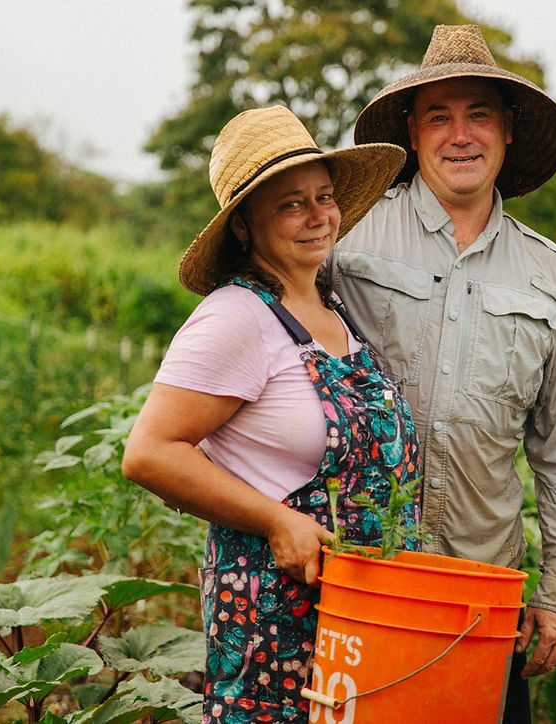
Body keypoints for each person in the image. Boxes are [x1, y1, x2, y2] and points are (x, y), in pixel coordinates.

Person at [331, 24, 556, 723]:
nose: (461, 135)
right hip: (360, 573)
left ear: (508, 130)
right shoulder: (348, 236)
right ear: (412, 131)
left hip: (482, 593)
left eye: (479, 114)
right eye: (439, 116)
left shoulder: (548, 274)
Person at [122, 105, 420, 723]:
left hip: (356, 618)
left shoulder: (335, 311)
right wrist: (277, 522)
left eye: (325, 197)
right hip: (274, 614)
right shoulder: (236, 317)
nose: (319, 217)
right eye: (291, 204)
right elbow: (150, 452)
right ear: (243, 226)